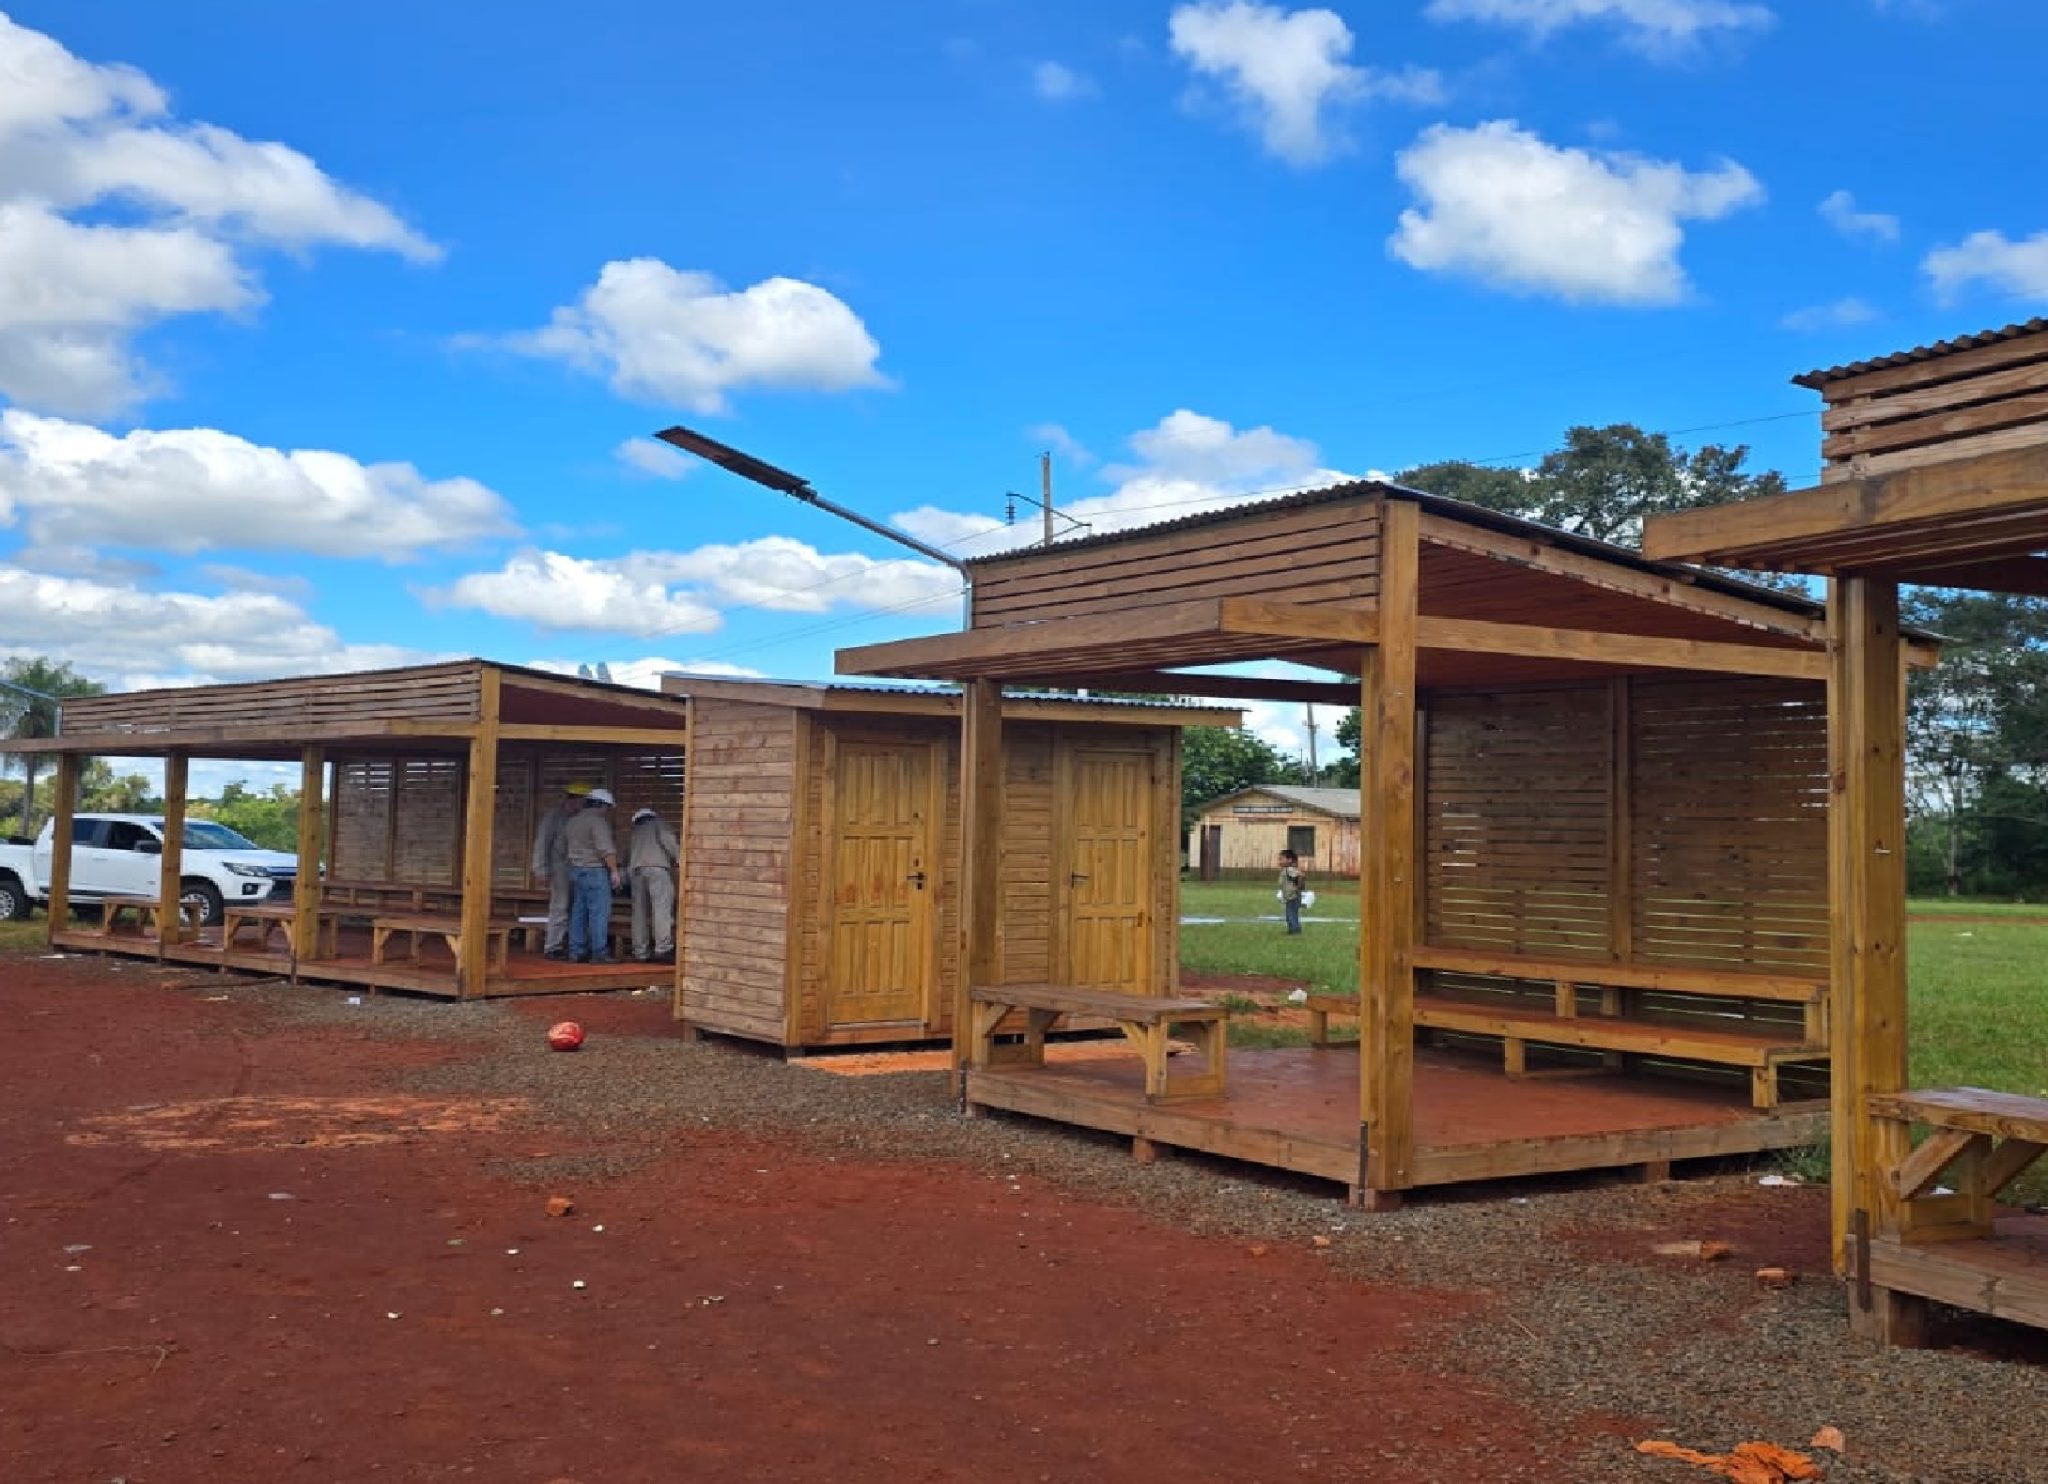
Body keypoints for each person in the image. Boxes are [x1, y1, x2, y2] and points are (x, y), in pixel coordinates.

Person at [562, 787, 623, 964]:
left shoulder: (572, 821)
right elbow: (606, 850)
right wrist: (614, 871)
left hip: (576, 870)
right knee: (599, 912)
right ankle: (599, 952)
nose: (607, 812)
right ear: (600, 805)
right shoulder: (598, 823)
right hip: (595, 870)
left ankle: (576, 951)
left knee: (579, 911)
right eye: (607, 808)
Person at [531, 781, 591, 959]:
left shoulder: (580, 818)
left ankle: (574, 945)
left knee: (578, 907)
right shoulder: (554, 817)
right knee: (560, 906)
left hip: (578, 867)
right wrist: (540, 869)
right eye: (583, 801)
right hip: (559, 868)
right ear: (573, 799)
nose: (584, 805)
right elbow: (542, 843)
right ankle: (553, 946)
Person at [626, 806, 680, 962]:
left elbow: (627, 856)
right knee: (661, 908)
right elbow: (668, 841)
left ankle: (640, 952)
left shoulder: (635, 832)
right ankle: (663, 949)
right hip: (656, 869)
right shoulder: (658, 824)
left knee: (639, 913)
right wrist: (679, 858)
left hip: (636, 872)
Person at [1278, 848, 1306, 935]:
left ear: (1289, 860)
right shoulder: (1286, 870)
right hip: (1290, 897)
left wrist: (1298, 887)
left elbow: (1301, 875)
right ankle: (1295, 929)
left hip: (1293, 897)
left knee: (1291, 914)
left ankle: (1294, 930)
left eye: (1282, 859)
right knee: (1291, 914)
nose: (1280, 861)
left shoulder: (1289, 869)